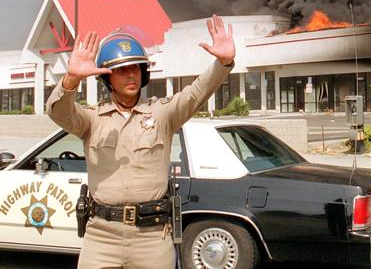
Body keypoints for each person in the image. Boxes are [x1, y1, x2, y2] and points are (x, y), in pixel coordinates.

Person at [46, 15, 235, 269]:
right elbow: (57, 112)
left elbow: (196, 93)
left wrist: (222, 63)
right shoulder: (91, 119)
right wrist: (71, 79)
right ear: (107, 78)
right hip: (102, 237)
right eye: (121, 70)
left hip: (152, 238)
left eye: (135, 67)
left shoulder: (162, 114)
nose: (130, 75)